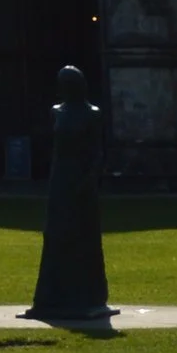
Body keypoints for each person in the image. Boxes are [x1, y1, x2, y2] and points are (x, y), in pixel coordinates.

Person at [26, 61, 111, 325]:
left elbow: (97, 151)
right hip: (60, 178)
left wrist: (89, 179)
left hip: (81, 178)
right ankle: (51, 296)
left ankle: (87, 296)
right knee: (55, 234)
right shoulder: (56, 112)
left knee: (82, 236)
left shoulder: (92, 113)